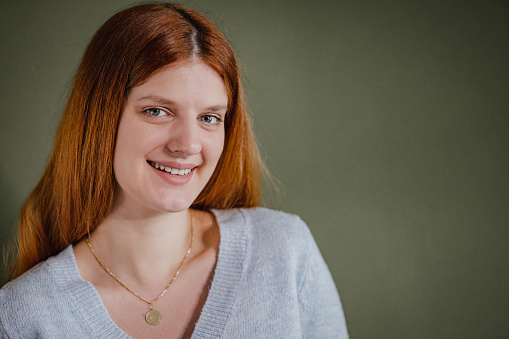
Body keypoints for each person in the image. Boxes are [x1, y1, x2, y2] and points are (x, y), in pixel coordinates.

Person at [0, 3, 348, 338]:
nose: (188, 144)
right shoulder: (22, 317)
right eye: (157, 111)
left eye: (209, 118)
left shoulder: (285, 252)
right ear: (101, 118)